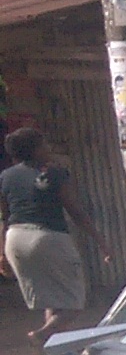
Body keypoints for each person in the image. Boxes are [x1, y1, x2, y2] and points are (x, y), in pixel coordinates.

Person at [0, 128, 96, 341]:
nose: (48, 148)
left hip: (15, 239)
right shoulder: (54, 173)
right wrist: (101, 241)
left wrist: (2, 254)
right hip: (47, 238)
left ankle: (51, 354)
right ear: (34, 150)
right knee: (75, 303)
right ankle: (42, 334)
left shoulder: (5, 176)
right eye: (44, 145)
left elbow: (4, 218)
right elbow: (74, 210)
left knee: (52, 301)